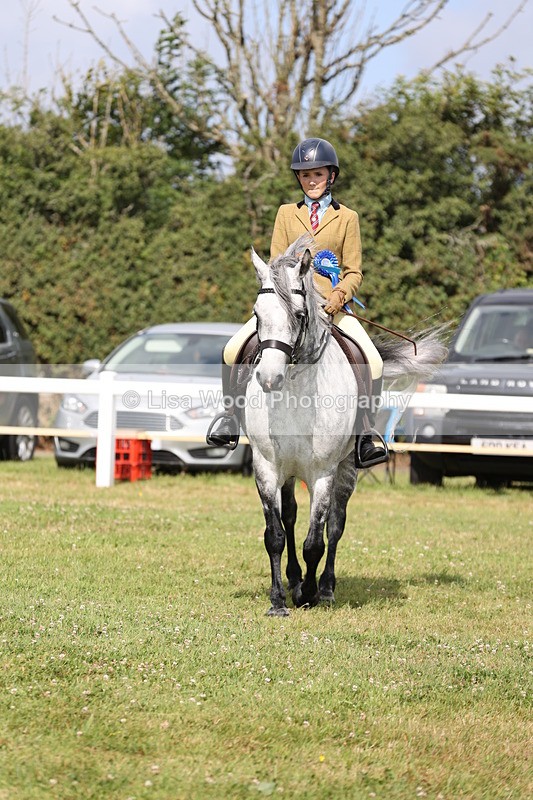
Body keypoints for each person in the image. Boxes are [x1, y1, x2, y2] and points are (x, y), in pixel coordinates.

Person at [207, 137, 388, 469]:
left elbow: (354, 271)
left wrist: (339, 295)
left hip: (331, 309)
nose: (312, 180)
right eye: (305, 175)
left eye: (318, 174)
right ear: (299, 179)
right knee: (232, 349)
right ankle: (230, 417)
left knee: (373, 362)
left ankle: (365, 434)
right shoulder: (286, 213)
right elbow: (276, 263)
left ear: (331, 176)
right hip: (289, 307)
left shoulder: (347, 217)